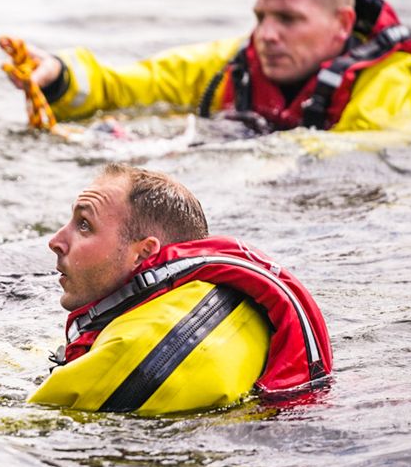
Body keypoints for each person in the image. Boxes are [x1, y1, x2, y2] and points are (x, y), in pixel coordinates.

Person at [4, 0, 411, 133]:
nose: (267, 34)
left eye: (289, 19)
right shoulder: (231, 63)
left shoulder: (391, 80)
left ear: (342, 24)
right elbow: (131, 84)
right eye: (260, 17)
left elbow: (369, 149)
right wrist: (59, 76)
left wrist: (224, 150)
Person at [29, 163, 332, 414]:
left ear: (143, 254)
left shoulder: (135, 349)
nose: (55, 241)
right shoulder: (223, 301)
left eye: (84, 225)